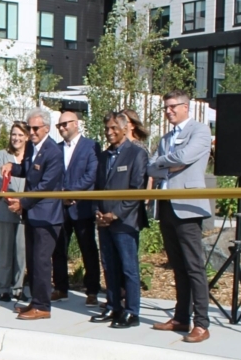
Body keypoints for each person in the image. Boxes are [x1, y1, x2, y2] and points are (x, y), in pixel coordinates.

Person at [148, 90, 214, 343]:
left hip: (187, 206)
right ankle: (181, 317)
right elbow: (150, 167)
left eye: (173, 106)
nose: (168, 111)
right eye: (166, 107)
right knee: (177, 265)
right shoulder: (166, 138)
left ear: (186, 107)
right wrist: (169, 164)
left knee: (194, 266)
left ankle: (202, 323)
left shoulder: (200, 131)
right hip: (166, 206)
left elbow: (186, 156)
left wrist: (163, 163)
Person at [2, 107, 64, 320]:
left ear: (46, 128)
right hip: (32, 214)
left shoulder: (54, 152)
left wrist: (22, 203)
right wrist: (12, 167)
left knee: (41, 261)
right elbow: (29, 171)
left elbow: (46, 185)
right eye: (29, 128)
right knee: (33, 260)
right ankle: (36, 300)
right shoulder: (31, 148)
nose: (32, 132)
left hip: (47, 216)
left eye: (36, 128)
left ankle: (43, 306)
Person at [92, 112, 149, 328]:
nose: (109, 132)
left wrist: (115, 214)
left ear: (125, 128)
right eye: (107, 128)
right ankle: (113, 306)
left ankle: (132, 311)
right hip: (104, 221)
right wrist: (98, 212)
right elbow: (97, 188)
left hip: (125, 222)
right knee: (109, 266)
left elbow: (136, 190)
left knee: (128, 268)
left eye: (114, 128)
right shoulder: (104, 156)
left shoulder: (137, 154)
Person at [51, 111, 102, 306]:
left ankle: (92, 291)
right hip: (61, 207)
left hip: (82, 207)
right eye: (59, 125)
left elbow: (92, 174)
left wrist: (71, 193)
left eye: (65, 124)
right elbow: (53, 175)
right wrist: (61, 195)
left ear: (76, 123)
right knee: (59, 250)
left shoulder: (91, 146)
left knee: (88, 250)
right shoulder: (56, 149)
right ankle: (60, 288)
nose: (62, 128)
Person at [0, 121, 28, 303]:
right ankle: (4, 288)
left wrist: (22, 203)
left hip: (24, 210)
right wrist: (11, 200)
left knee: (21, 252)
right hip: (4, 209)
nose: (16, 138)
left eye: (20, 135)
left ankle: (18, 288)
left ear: (26, 137)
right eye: (13, 134)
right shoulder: (1, 155)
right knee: (4, 251)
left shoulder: (31, 157)